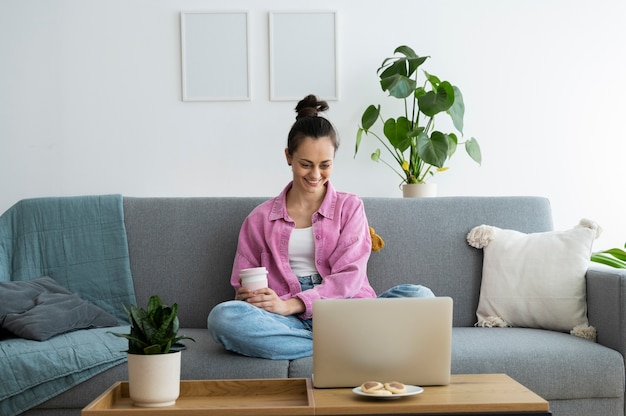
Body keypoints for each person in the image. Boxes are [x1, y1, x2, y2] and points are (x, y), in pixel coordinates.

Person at [207, 94, 434, 360]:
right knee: (223, 318)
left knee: (421, 297)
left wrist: (294, 303)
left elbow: (350, 277)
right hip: (287, 321)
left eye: (325, 165)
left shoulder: (349, 208)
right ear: (288, 157)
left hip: (346, 312)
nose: (315, 175)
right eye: (305, 164)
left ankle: (324, 344)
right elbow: (241, 285)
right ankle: (347, 346)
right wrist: (250, 297)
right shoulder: (259, 219)